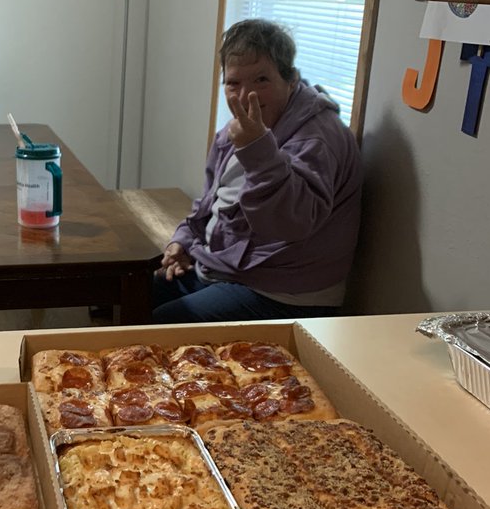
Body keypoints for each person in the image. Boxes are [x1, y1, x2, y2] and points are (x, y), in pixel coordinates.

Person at [152, 18, 362, 324]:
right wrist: (182, 242)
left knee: (165, 321)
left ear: (291, 80)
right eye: (233, 83)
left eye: (261, 80)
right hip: (226, 268)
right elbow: (210, 203)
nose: (246, 95)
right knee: (136, 292)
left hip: (285, 293)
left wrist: (257, 149)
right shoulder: (236, 131)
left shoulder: (316, 138)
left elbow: (291, 224)